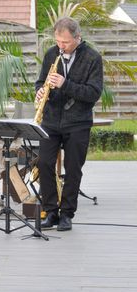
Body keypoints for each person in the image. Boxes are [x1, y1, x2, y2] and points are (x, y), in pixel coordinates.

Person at [35, 17, 103, 232]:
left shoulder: (93, 58)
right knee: (44, 163)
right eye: (58, 41)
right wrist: (39, 90)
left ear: (77, 38)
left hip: (78, 122)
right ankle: (51, 211)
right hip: (51, 119)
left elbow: (93, 93)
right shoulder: (51, 54)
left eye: (65, 42)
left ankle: (67, 214)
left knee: (73, 168)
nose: (60, 46)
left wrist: (66, 84)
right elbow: (40, 80)